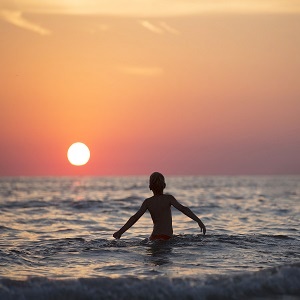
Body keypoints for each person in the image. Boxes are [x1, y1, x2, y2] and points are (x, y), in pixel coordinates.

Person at [113, 172, 206, 241]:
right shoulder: (169, 198)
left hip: (153, 237)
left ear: (150, 187)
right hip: (166, 237)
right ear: (164, 185)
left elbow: (135, 218)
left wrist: (120, 232)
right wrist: (199, 221)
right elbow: (184, 209)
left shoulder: (147, 202)